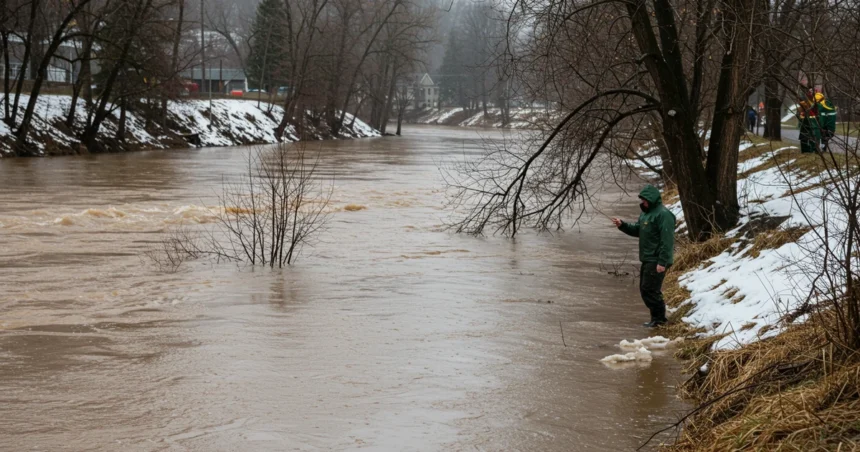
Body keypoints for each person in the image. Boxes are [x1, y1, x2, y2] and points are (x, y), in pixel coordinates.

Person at [611, 185, 676, 328]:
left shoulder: (664, 215)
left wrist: (662, 262)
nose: (642, 203)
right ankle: (656, 319)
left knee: (650, 289)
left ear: (652, 199)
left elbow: (667, 241)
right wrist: (622, 225)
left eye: (644, 200)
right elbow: (637, 230)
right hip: (647, 258)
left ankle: (659, 320)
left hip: (657, 259)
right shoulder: (645, 214)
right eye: (641, 200)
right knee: (645, 289)